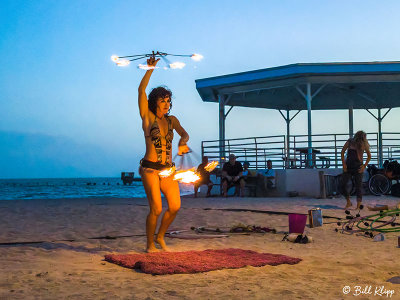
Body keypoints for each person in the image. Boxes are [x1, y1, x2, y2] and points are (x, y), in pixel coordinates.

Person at [138, 53, 190, 252]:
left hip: (168, 170)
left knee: (175, 206)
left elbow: (184, 134)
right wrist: (149, 69)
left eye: (168, 100)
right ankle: (150, 243)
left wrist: (182, 143)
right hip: (150, 169)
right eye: (163, 100)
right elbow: (141, 90)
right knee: (156, 208)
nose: (167, 103)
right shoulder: (148, 117)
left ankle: (160, 236)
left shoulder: (172, 120)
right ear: (155, 102)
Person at [341, 130, 371, 210]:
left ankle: (358, 205)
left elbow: (369, 156)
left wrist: (364, 166)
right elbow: (342, 151)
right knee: (342, 185)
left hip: (358, 167)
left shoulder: (364, 144)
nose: (363, 139)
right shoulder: (350, 141)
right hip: (348, 166)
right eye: (363, 137)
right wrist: (344, 164)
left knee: (358, 186)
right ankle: (348, 202)